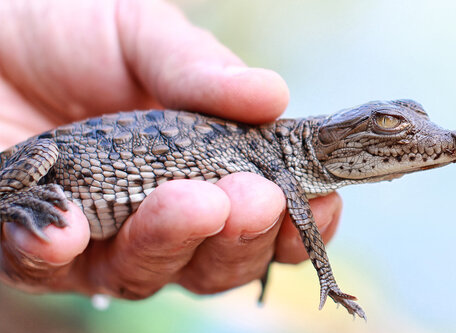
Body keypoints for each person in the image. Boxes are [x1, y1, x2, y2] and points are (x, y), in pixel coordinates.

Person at [0, 0, 342, 300]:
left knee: (234, 212)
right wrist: (327, 280)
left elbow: (298, 216)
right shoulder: (278, 155)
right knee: (44, 155)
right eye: (387, 123)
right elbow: (302, 218)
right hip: (56, 160)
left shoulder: (275, 160)